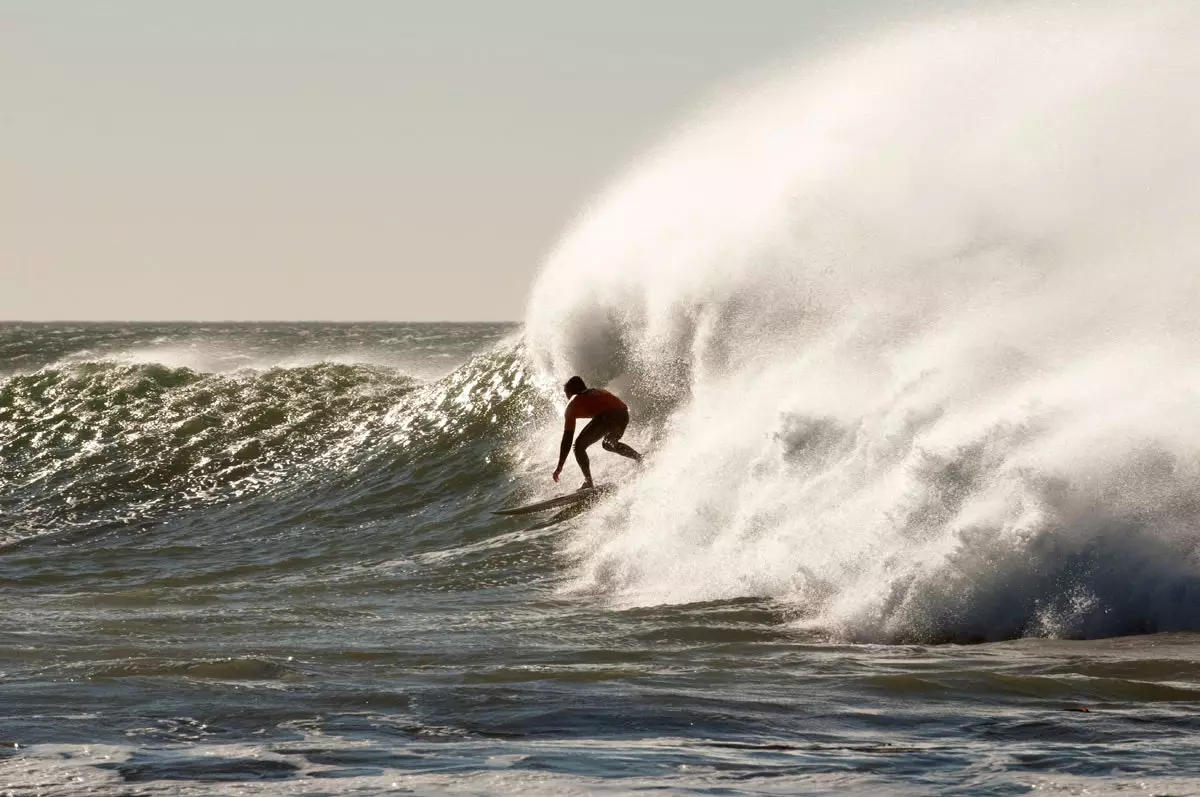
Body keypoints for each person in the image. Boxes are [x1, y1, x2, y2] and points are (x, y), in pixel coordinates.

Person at [552, 375, 642, 490]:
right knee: (609, 444)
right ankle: (640, 458)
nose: (566, 397)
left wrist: (559, 466)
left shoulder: (573, 403)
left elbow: (567, 439)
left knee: (578, 446)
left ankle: (588, 481)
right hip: (623, 414)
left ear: (571, 393)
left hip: (607, 416)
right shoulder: (598, 391)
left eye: (566, 393)